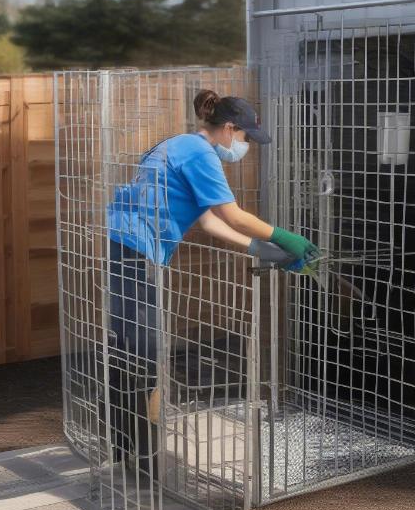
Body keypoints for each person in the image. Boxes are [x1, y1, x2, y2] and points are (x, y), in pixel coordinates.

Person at [104, 89, 318, 476]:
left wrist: (262, 249)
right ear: (229, 128)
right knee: (146, 358)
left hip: (124, 248)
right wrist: (285, 238)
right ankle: (146, 467)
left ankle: (123, 451)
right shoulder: (201, 154)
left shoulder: (177, 145)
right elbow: (232, 215)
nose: (244, 145)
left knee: (128, 349)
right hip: (138, 254)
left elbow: (210, 222)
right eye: (245, 137)